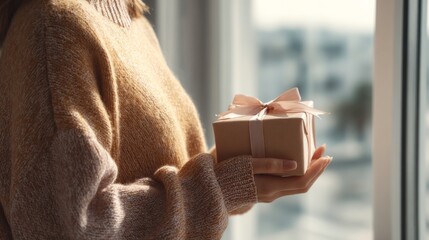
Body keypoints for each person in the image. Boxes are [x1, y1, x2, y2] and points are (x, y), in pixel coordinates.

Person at [0, 0, 332, 239]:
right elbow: (70, 227)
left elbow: (167, 173)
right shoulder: (52, 28)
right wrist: (222, 187)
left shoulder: (134, 23)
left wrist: (242, 169)